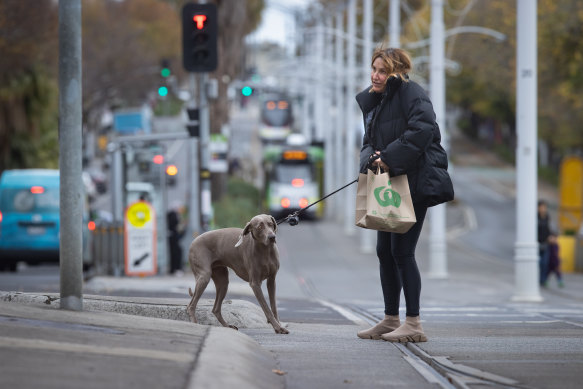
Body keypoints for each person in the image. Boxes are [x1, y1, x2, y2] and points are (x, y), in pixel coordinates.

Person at [355, 47, 452, 343]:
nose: (375, 75)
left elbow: (422, 131)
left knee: (402, 252)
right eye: (374, 69)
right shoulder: (379, 101)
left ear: (397, 72)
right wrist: (371, 159)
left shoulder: (412, 94)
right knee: (384, 251)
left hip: (415, 181)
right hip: (390, 182)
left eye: (382, 71)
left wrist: (390, 157)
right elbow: (368, 141)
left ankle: (413, 323)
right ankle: (390, 319)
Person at [167, 204, 186, 276]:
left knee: (175, 252)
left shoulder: (171, 215)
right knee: (176, 253)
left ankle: (174, 269)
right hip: (174, 238)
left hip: (173, 237)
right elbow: (176, 227)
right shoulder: (173, 215)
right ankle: (177, 269)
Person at [537, 200, 551, 285]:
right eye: (541, 207)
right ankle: (537, 279)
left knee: (545, 263)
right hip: (537, 243)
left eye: (544, 207)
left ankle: (543, 280)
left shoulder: (547, 217)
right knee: (538, 262)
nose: (543, 209)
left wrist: (551, 236)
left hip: (546, 242)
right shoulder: (535, 217)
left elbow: (549, 228)